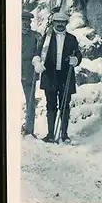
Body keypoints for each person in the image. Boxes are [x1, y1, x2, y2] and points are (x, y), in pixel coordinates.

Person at [32, 12, 82, 143]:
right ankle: (50, 134)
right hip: (50, 75)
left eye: (63, 22)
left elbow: (78, 54)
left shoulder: (72, 39)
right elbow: (38, 52)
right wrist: (37, 62)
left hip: (65, 76)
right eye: (57, 22)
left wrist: (75, 59)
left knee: (65, 106)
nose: (60, 24)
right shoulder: (47, 38)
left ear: (66, 23)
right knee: (51, 105)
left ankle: (64, 134)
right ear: (53, 23)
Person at [21, 10, 39, 136]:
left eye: (27, 22)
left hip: (28, 73)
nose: (25, 25)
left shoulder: (36, 37)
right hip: (12, 72)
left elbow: (39, 54)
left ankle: (29, 129)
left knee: (30, 102)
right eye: (23, 22)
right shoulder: (10, 34)